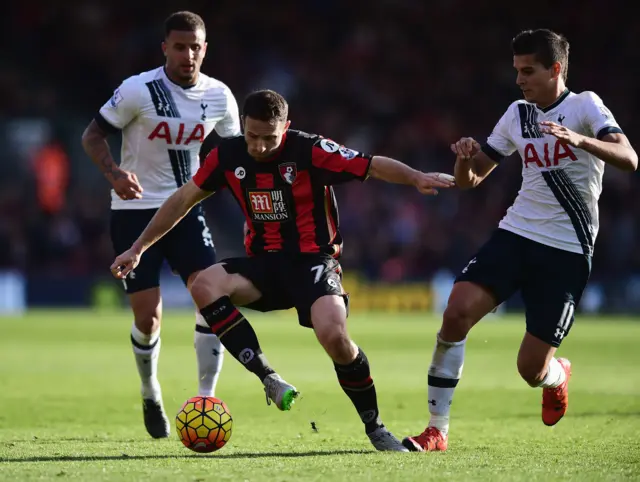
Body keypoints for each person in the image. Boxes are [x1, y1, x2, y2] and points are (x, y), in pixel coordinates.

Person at [110, 89, 455, 451]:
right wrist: (138, 248)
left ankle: (375, 426)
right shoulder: (226, 155)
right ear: (242, 125)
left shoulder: (310, 150)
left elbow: (370, 165)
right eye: (252, 136)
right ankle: (269, 378)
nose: (258, 146)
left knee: (335, 337)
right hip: (264, 265)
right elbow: (182, 199)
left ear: (286, 128)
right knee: (203, 283)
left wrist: (415, 176)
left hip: (313, 264)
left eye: (269, 138)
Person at [403, 29, 637, 452]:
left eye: (528, 71)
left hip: (567, 250)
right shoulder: (517, 114)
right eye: (516, 70)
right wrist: (463, 159)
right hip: (517, 233)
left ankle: (557, 375)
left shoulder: (585, 106)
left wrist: (580, 140)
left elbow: (629, 158)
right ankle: (437, 430)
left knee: (530, 369)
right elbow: (471, 180)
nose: (519, 80)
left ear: (555, 69)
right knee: (455, 314)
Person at [81, 11, 241, 439]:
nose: (188, 55)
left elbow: (235, 159)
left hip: (186, 209)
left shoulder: (221, 97)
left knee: (212, 297)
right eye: (180, 46)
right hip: (133, 212)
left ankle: (205, 397)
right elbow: (91, 136)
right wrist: (114, 173)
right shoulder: (138, 90)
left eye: (196, 47)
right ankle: (150, 390)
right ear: (164, 48)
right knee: (149, 319)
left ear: (205, 49)